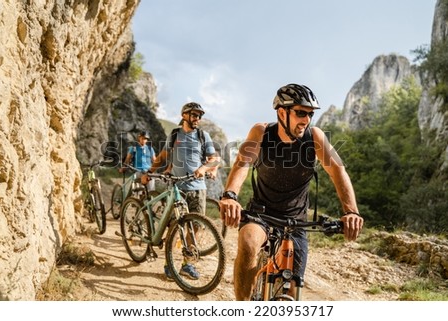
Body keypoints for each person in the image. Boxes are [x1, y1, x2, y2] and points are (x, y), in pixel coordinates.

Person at [219, 83, 364, 300]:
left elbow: (337, 171)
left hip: (296, 220)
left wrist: (351, 211)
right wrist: (230, 195)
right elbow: (242, 163)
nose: (306, 119)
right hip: (261, 213)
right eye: (300, 113)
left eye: (310, 114)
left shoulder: (314, 137)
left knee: (293, 290)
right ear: (281, 112)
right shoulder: (261, 132)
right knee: (249, 244)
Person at [146, 102, 219, 280]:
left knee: (195, 228)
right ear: (184, 115)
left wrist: (204, 168)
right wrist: (150, 172)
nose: (197, 119)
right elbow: (163, 155)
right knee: (172, 226)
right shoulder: (174, 134)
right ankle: (168, 264)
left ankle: (188, 265)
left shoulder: (203, 135)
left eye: (199, 116)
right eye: (194, 115)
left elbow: (214, 159)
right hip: (176, 187)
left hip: (197, 188)